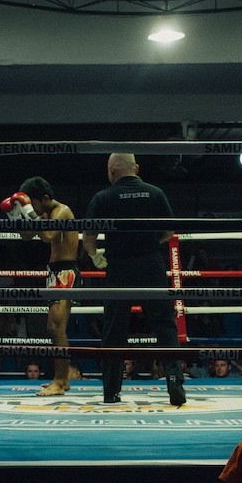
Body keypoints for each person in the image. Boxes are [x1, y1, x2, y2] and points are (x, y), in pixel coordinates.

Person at [83, 153, 185, 406]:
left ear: (111, 170)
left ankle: (110, 391)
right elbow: (169, 231)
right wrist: (150, 244)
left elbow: (88, 238)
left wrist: (96, 256)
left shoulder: (102, 197)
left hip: (119, 266)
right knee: (163, 324)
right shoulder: (155, 192)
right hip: (151, 263)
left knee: (115, 328)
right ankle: (173, 378)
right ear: (136, 168)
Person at [18, 175, 79, 396]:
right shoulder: (45, 213)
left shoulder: (62, 211)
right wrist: (19, 213)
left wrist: (31, 212)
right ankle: (63, 380)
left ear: (44, 198)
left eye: (32, 202)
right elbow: (26, 236)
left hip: (65, 271)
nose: (31, 207)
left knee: (56, 328)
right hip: (55, 272)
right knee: (55, 328)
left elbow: (48, 235)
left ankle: (60, 381)